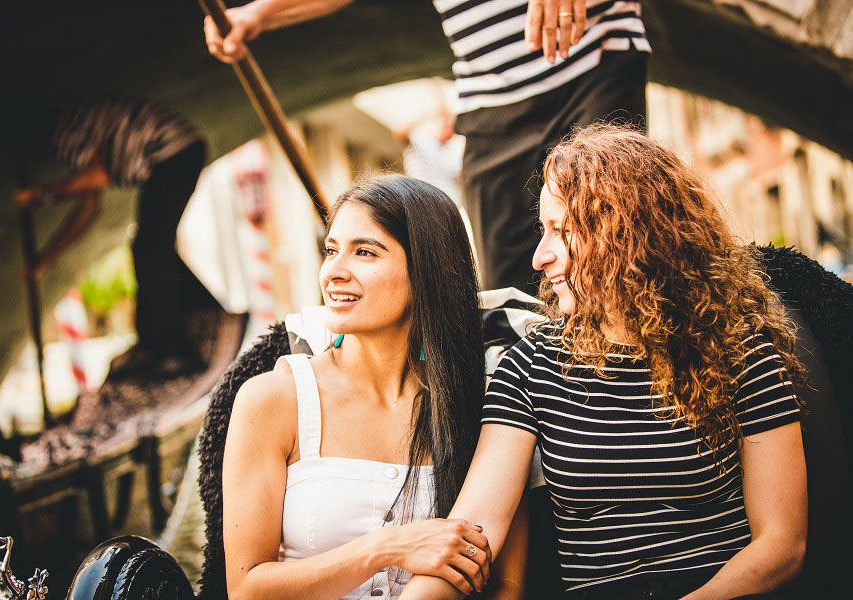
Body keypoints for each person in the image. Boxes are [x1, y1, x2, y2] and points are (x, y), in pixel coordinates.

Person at [399, 124, 808, 599]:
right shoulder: (530, 365)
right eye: (542, 231)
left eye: (562, 231)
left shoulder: (742, 351)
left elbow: (783, 545)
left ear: (630, 236)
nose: (539, 258)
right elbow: (472, 537)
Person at [204, 0, 650, 294]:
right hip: (491, 97)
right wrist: (257, 14)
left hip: (594, 63)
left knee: (615, 262)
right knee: (516, 295)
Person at [221, 174, 529, 599]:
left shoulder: (480, 404)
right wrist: (388, 547)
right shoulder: (274, 399)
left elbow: (506, 584)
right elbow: (245, 589)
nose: (334, 272)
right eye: (331, 251)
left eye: (364, 252)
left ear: (427, 271)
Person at [10, 97, 209, 378]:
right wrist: (47, 257)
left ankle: (171, 350)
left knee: (150, 249)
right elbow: (88, 209)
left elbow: (97, 176)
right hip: (173, 156)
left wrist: (42, 195)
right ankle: (182, 325)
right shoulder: (76, 134)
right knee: (151, 247)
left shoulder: (67, 131)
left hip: (173, 153)